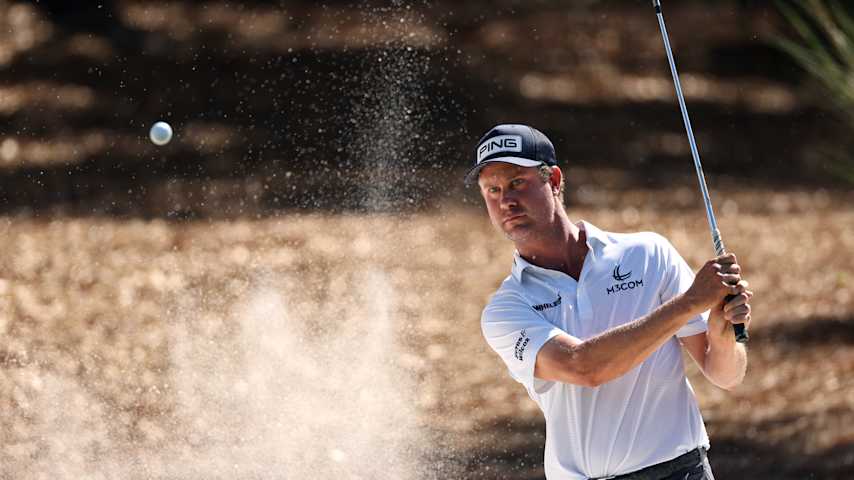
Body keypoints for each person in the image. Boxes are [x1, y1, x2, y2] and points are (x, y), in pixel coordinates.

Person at [467, 124, 753, 480]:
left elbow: (726, 374)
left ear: (554, 180)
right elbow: (583, 368)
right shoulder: (505, 310)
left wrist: (722, 332)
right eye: (491, 190)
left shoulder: (648, 254)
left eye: (516, 183)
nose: (505, 200)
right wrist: (689, 304)